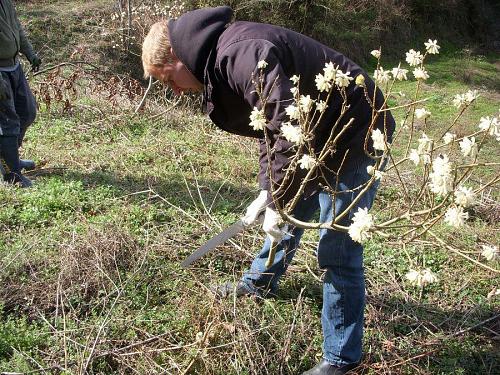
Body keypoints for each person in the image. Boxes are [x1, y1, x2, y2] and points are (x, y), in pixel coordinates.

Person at [142, 6, 395, 375]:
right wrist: (269, 191)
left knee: (338, 246)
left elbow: (285, 128)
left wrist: (277, 199)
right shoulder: (222, 59)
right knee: (286, 211)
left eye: (169, 79)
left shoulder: (244, 53)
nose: (175, 90)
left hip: (357, 134)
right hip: (316, 138)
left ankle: (342, 359)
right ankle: (258, 282)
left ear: (179, 57)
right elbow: (268, 129)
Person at [0, 0, 41, 187]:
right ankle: (11, 174)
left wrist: (30, 54)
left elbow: (17, 29)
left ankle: (11, 158)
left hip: (14, 66)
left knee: (28, 112)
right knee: (8, 123)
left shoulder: (6, 2)